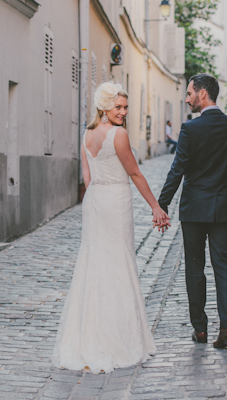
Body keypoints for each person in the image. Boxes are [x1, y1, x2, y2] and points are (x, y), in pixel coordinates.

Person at [53, 82, 170, 373]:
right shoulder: (118, 134)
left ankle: (87, 336)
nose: (123, 112)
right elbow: (134, 172)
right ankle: (118, 339)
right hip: (116, 198)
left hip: (95, 200)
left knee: (94, 263)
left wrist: (96, 199)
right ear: (104, 107)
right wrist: (156, 207)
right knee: (118, 261)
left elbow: (87, 176)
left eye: (125, 107)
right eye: (117, 107)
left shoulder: (87, 134)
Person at [157, 74, 227, 349]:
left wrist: (162, 203)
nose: (187, 98)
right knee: (224, 265)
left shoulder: (190, 129)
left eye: (189, 93)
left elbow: (178, 169)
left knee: (195, 267)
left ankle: (200, 330)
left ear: (203, 94)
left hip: (194, 209)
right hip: (224, 209)